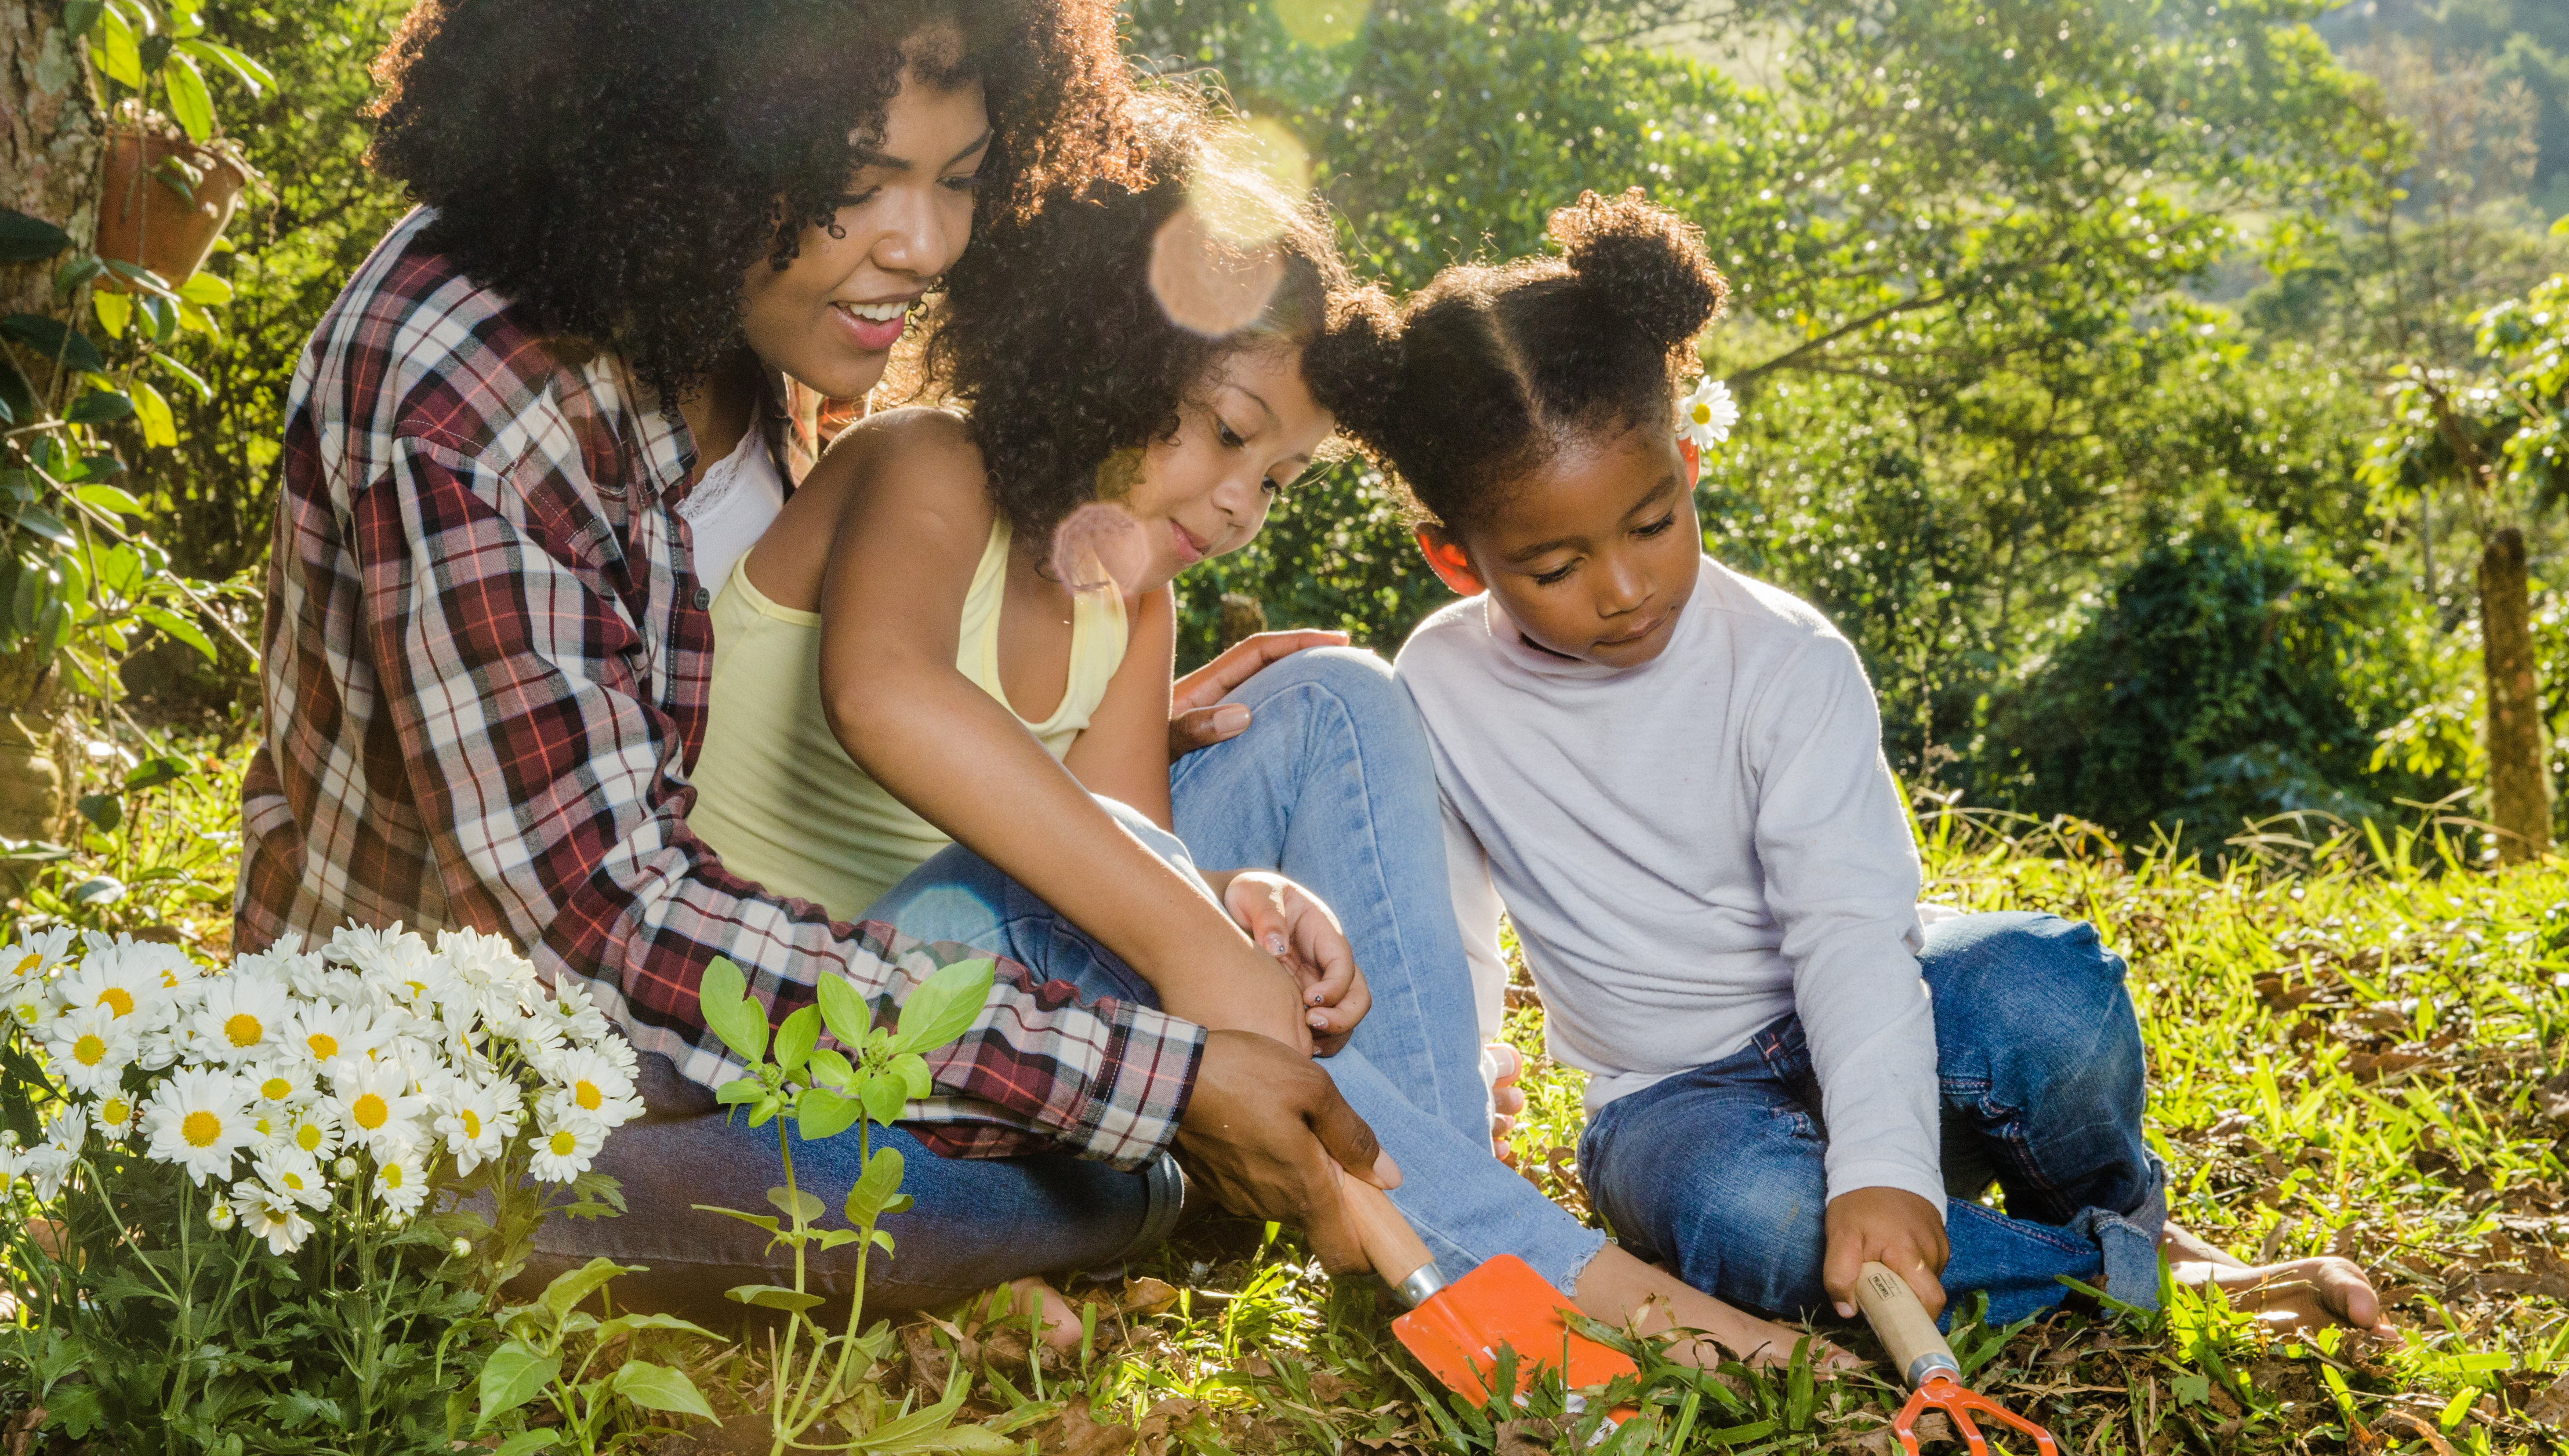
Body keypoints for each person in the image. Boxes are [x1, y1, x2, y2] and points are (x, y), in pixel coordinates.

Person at [234, 0, 1389, 1311]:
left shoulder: (752, 301)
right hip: (511, 1061)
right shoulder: (460, 391)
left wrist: (1146, 822)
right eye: (858, 176)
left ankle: (1056, 1189)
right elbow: (610, 915)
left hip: (766, 1007)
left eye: (963, 174)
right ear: (677, 128)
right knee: (1071, 1164)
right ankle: (495, 1230)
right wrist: (1148, 1070)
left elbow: (802, 696)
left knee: (1269, 815)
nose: (919, 244)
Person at [593, 95, 1823, 1365]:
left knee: (1336, 700)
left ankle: (1420, 1170)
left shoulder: (1136, 601)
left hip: (985, 1035)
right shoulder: (928, 468)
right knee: (1131, 966)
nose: (1241, 507)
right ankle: (1570, 1282)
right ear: (1105, 350)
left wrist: (1252, 908)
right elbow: (886, 697)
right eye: (1228, 434)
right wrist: (1193, 939)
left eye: (1278, 481)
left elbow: (1140, 856)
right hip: (772, 1014)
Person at [1339, 191, 2393, 1339]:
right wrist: (1473, 1067)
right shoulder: (1435, 689)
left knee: (2050, 988)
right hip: (1672, 1108)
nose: (1625, 587)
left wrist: (1886, 1164)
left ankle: (2102, 1216)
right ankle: (2127, 1276)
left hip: (1872, 1018)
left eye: (1653, 523)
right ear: (1457, 558)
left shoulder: (1784, 660)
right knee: (1761, 1220)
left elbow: (1850, 930)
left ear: (1689, 464)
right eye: (1554, 566)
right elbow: (1445, 927)